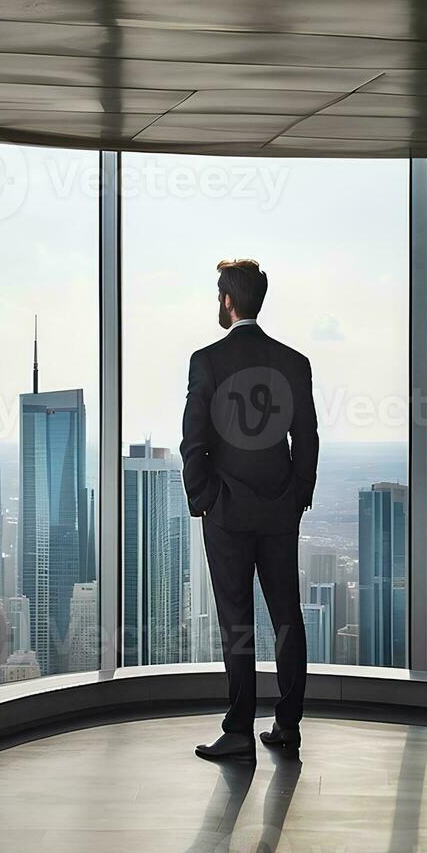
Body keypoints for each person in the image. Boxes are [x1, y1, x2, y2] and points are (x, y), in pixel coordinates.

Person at [182, 259, 318, 760]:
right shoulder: (293, 361)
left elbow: (192, 441)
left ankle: (239, 731)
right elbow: (306, 439)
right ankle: (288, 726)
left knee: (235, 622)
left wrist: (206, 501)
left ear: (227, 301)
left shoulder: (207, 361)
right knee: (288, 617)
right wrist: (298, 495)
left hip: (228, 515)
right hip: (280, 512)